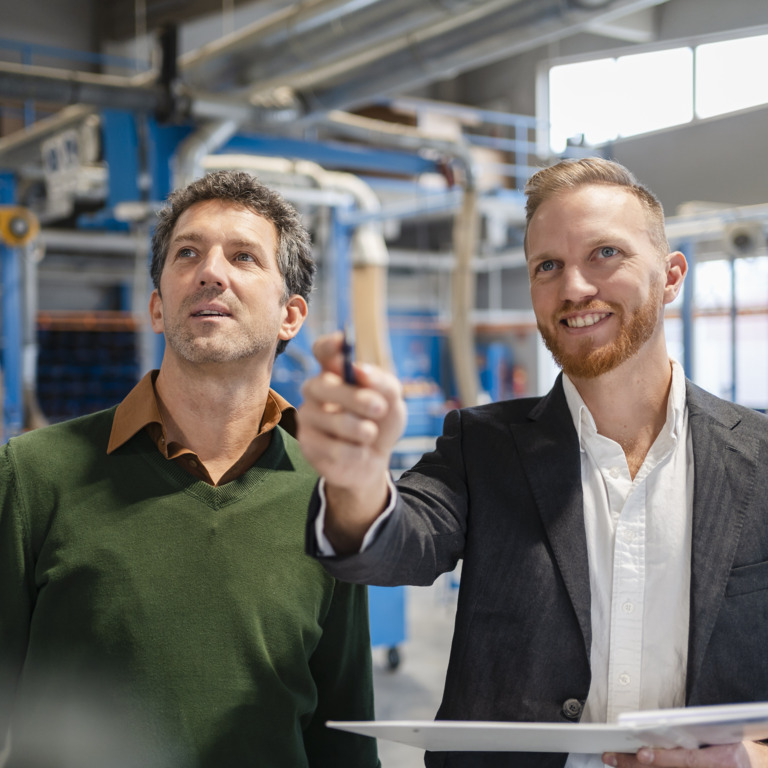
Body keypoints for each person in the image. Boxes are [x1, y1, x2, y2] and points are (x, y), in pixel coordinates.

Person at [298, 157, 768, 768]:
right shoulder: (483, 445)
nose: (574, 287)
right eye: (548, 266)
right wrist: (358, 476)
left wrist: (753, 759)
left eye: (605, 254)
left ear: (672, 275)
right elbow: (395, 543)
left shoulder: (758, 460)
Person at [0, 170, 379, 768]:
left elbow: (344, 733)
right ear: (157, 306)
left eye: (244, 257)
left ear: (291, 316)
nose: (211, 271)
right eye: (188, 253)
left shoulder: (330, 490)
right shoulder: (32, 476)